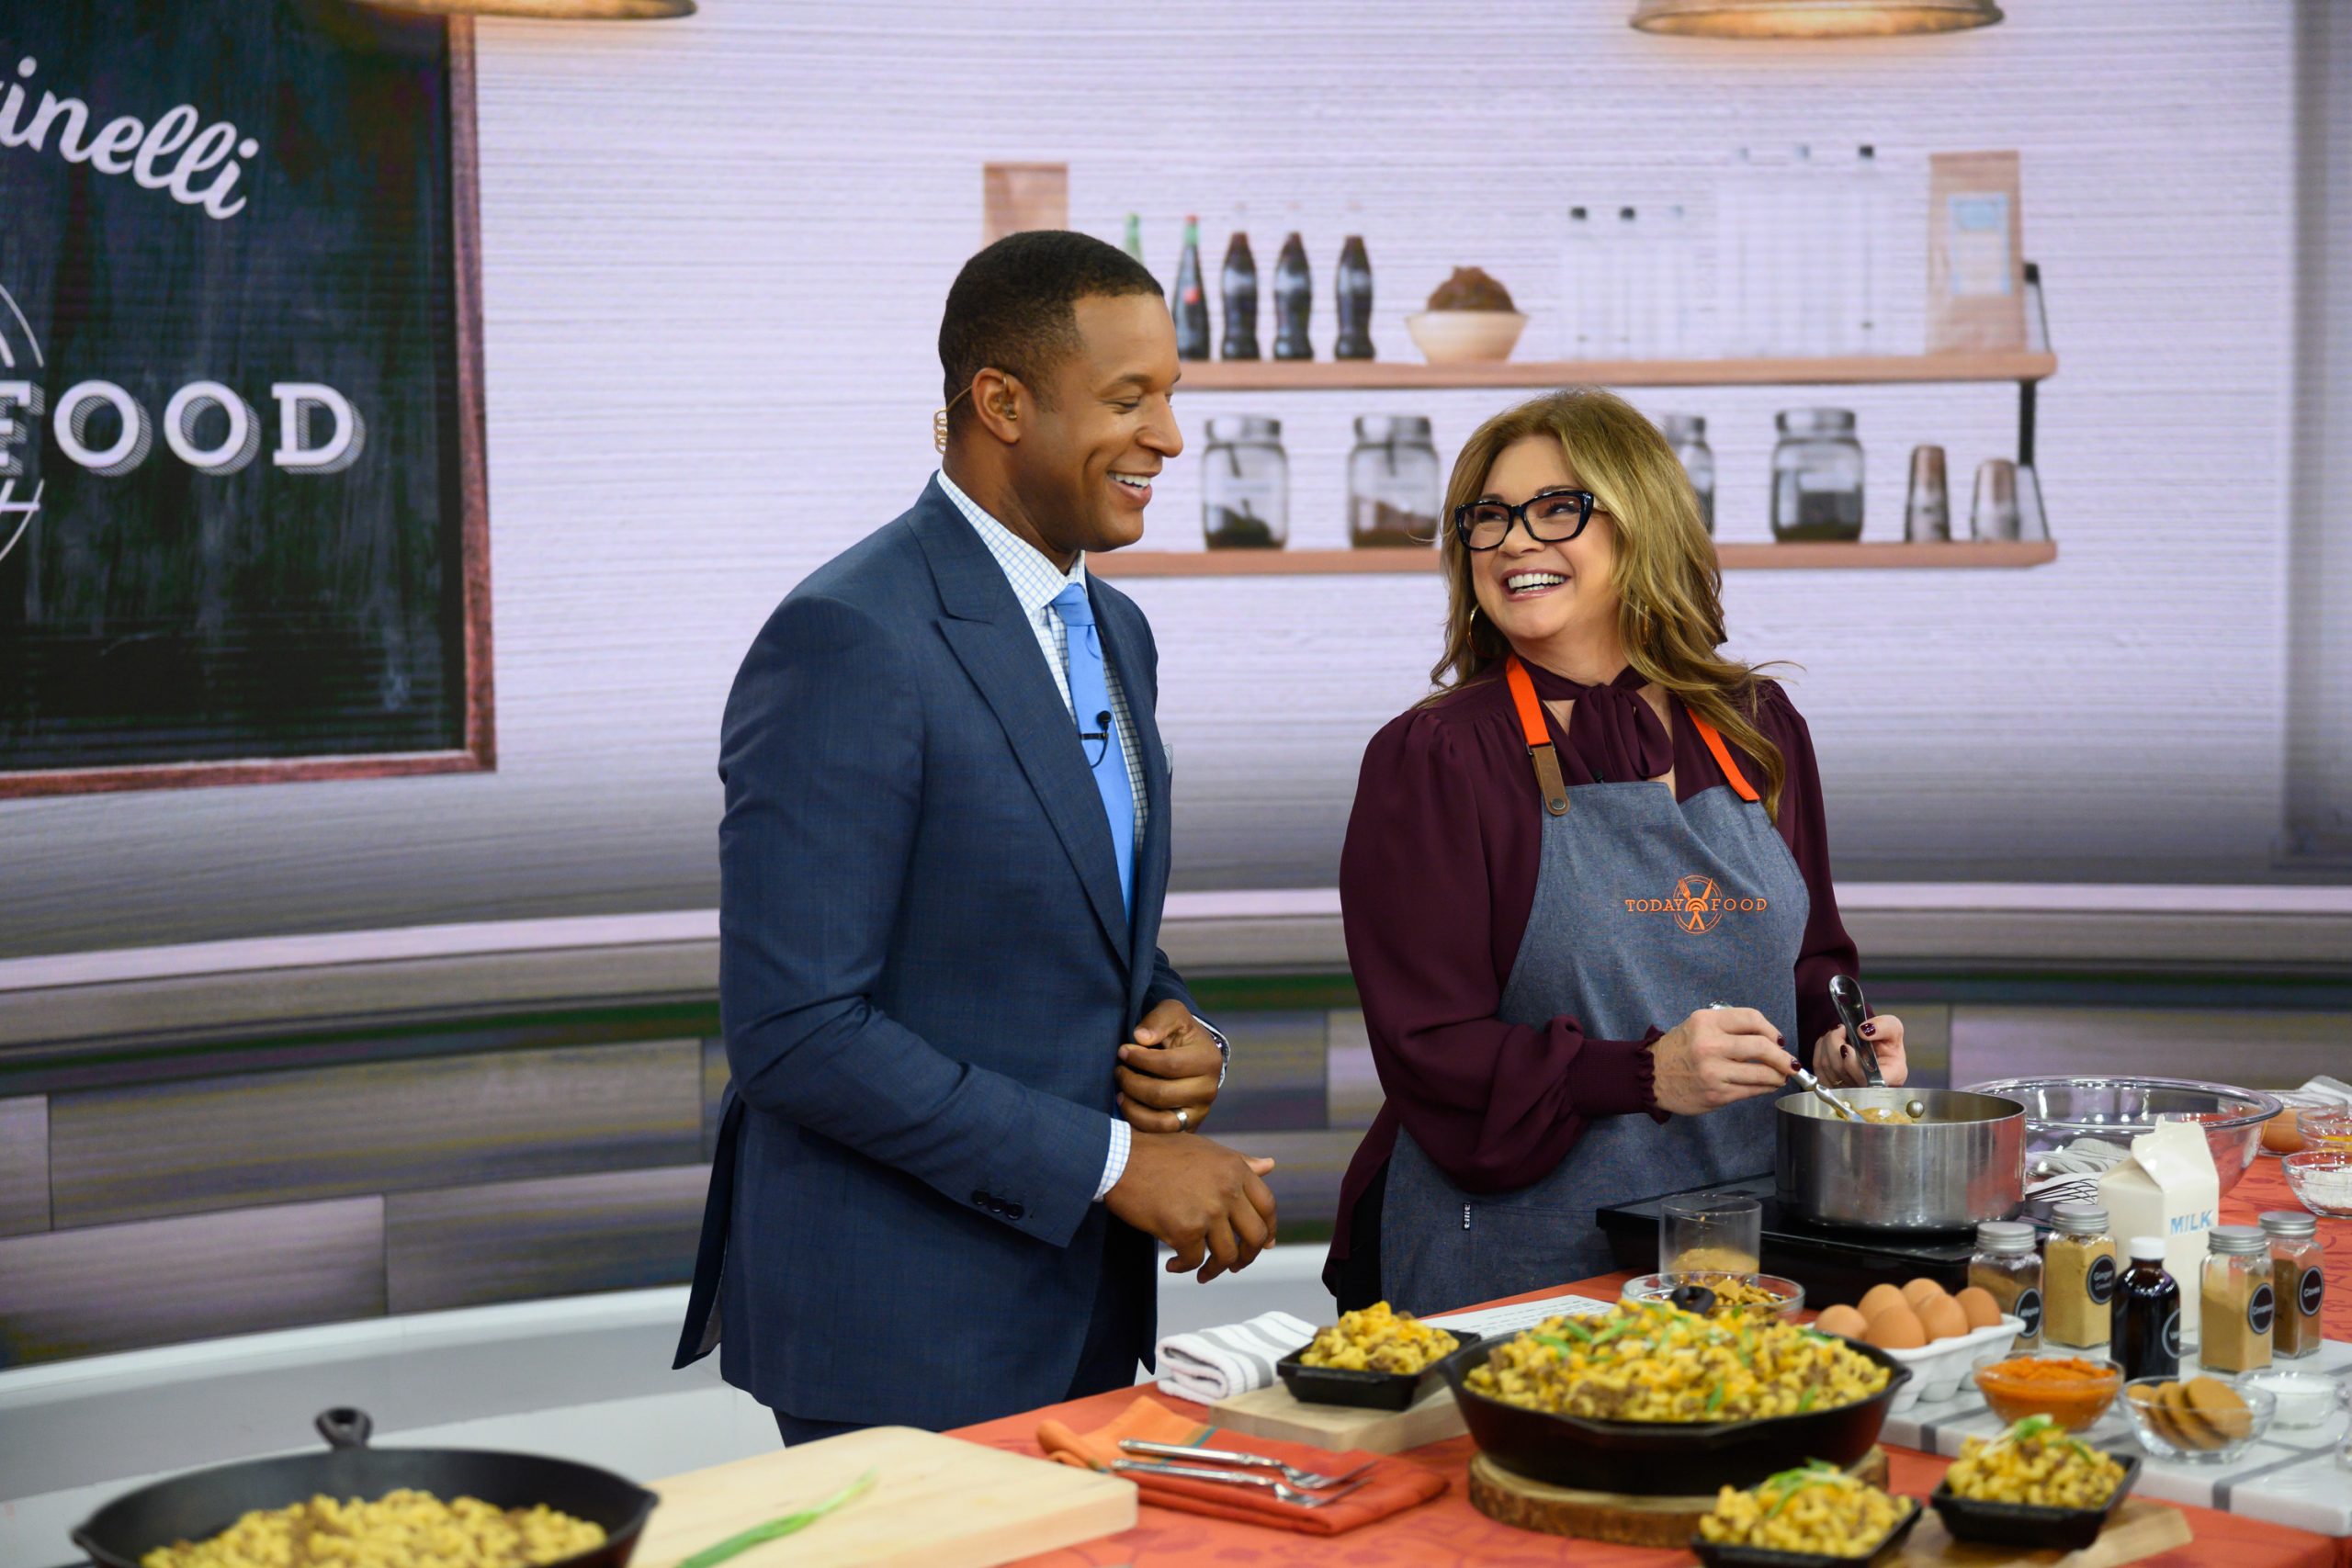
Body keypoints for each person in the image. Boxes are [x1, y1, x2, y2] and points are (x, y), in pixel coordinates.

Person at [675, 230, 1280, 1441]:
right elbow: (796, 1033)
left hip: (1080, 1308)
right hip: (905, 1331)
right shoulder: (848, 637)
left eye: (1171, 396)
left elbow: (1073, 909)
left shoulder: (1115, 628)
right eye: (1129, 398)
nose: (1168, 435)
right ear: (998, 401)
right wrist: (1118, 1164)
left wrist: (1174, 1020)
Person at [1325, 388, 1907, 1316]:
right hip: (1523, 1258)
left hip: (1741, 1241)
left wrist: (1839, 1041)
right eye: (1488, 518)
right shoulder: (1436, 756)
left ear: (1642, 524)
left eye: (1557, 508)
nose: (1515, 541)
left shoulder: (1755, 727)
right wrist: (1641, 1076)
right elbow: (1427, 1045)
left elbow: (1811, 960)